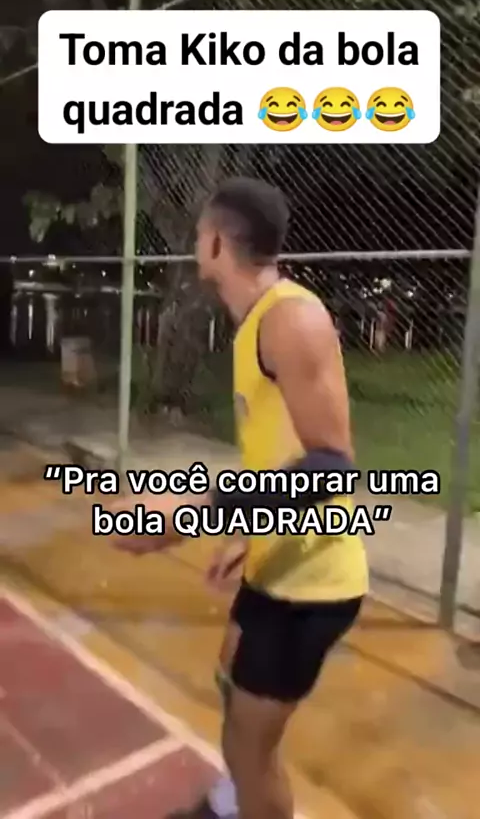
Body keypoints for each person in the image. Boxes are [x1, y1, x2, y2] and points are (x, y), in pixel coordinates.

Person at [114, 177, 369, 819]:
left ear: (216, 244)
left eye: (200, 233)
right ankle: (233, 803)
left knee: (251, 748)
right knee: (230, 674)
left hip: (312, 585)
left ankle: (245, 798)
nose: (196, 243)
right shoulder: (257, 321)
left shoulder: (290, 319)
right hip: (279, 560)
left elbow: (331, 467)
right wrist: (250, 531)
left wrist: (192, 512)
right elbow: (283, 451)